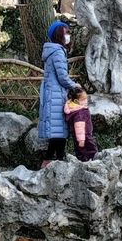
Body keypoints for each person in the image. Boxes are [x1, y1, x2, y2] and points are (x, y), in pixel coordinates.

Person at [39, 21, 81, 167]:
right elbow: (62, 77)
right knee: (59, 132)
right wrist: (75, 86)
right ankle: (55, 162)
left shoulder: (54, 51)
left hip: (53, 94)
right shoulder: (57, 52)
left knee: (59, 132)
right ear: (59, 35)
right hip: (55, 95)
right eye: (66, 33)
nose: (68, 35)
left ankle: (54, 161)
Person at [64, 87, 98, 162]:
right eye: (83, 99)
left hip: (78, 137)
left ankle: (81, 161)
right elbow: (79, 126)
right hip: (84, 136)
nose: (86, 101)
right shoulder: (80, 112)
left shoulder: (74, 108)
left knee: (79, 150)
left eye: (86, 98)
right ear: (76, 101)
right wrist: (81, 139)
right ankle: (93, 162)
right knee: (91, 150)